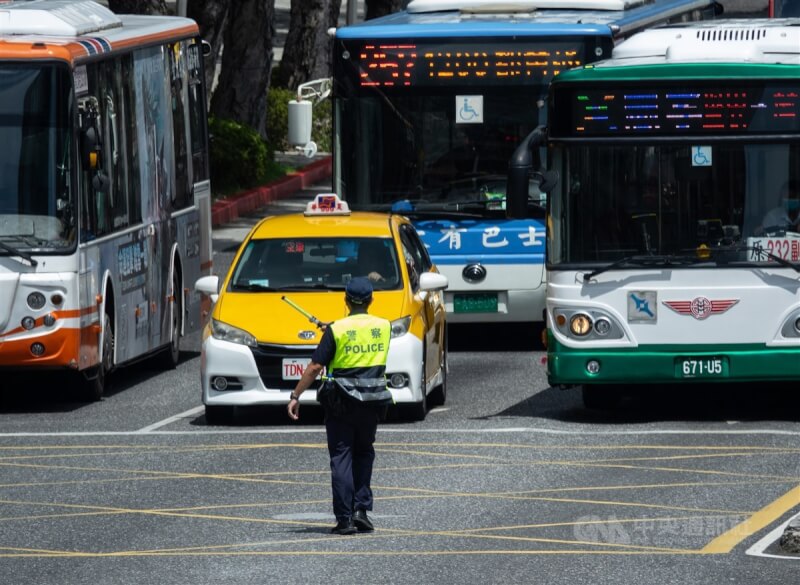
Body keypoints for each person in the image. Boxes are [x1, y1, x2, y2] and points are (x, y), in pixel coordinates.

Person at [287, 277, 393, 535]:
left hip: (341, 403)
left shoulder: (336, 330)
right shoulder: (384, 326)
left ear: (345, 300)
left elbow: (314, 367)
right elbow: (359, 337)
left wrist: (296, 395)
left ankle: (345, 519)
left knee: (342, 456)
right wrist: (334, 329)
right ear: (371, 300)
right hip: (372, 401)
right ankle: (361, 510)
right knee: (364, 452)